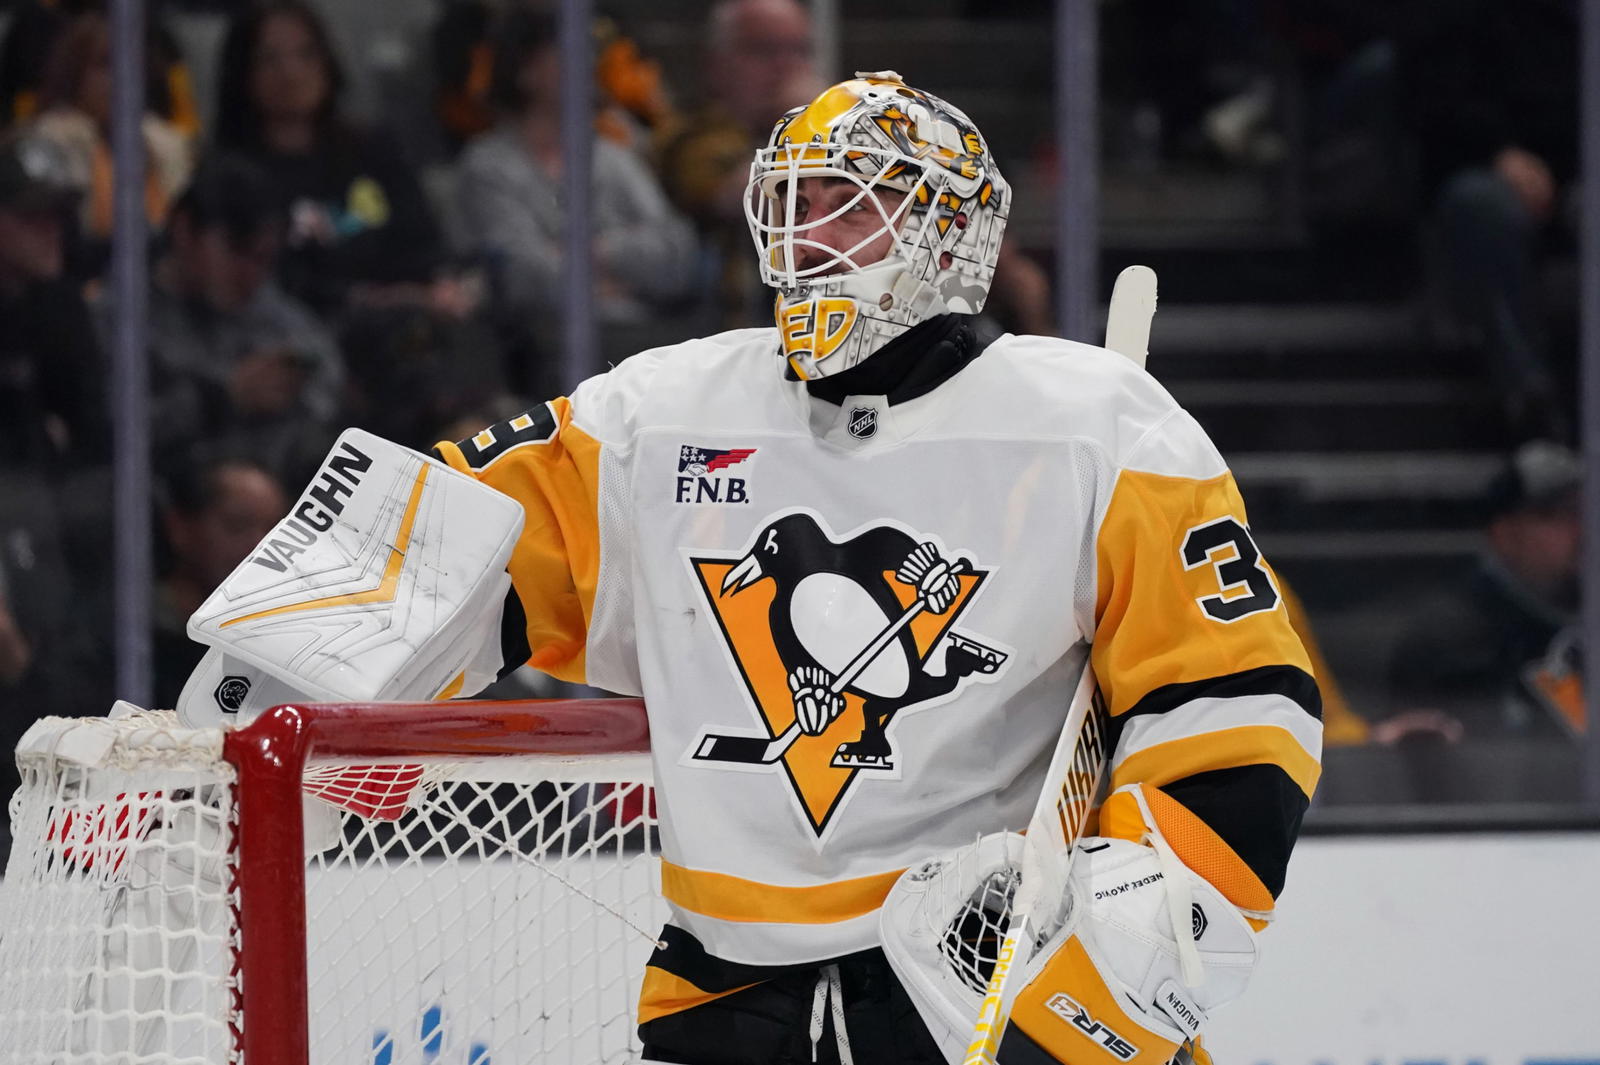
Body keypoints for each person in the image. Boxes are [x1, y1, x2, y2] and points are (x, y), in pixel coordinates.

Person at [176, 74, 1322, 1064]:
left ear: (947, 231)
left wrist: (1130, 939)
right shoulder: (661, 413)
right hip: (733, 997)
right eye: (797, 201)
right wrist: (247, 697)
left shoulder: (1097, 425)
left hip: (995, 986)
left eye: (853, 202)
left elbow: (1234, 699)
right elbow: (461, 536)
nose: (811, 233)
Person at [452, 11, 698, 338]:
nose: (587, 64)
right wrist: (621, 276)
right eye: (568, 51)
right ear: (525, 68)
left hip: (643, 340)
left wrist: (596, 250)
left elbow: (677, 255)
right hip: (540, 351)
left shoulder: (614, 158)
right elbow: (522, 277)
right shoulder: (488, 167)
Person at [100, 154, 343, 482]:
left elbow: (328, 376)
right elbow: (113, 432)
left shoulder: (267, 308)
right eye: (238, 250)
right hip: (177, 495)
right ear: (185, 229)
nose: (252, 274)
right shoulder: (121, 314)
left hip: (276, 487)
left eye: (264, 259)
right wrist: (222, 400)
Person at [214, 1, 457, 319]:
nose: (291, 72)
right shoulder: (234, 175)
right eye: (268, 59)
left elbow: (421, 242)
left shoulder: (373, 150)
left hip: (412, 315)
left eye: (306, 54)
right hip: (312, 327)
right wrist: (363, 298)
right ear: (243, 73)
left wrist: (439, 284)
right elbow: (271, 280)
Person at [1381, 439, 1583, 743]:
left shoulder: (1578, 616)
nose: (1581, 529)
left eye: (1585, 511)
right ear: (1505, 534)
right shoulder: (1450, 637)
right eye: (1555, 515)